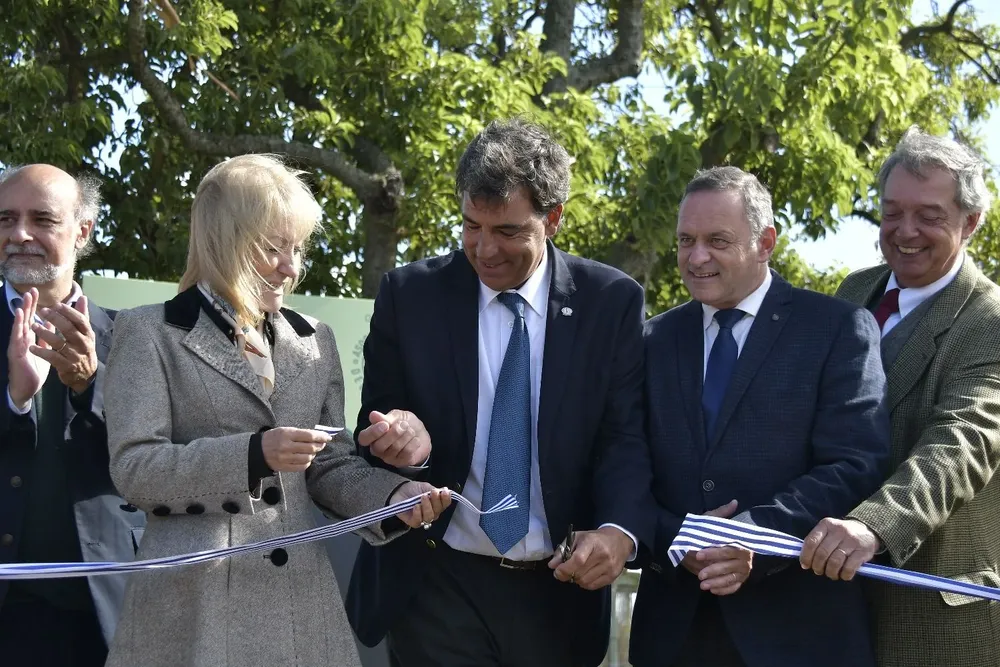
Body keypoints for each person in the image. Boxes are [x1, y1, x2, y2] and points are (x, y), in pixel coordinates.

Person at [101, 154, 451, 667]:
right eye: (272, 248)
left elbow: (330, 466)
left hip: (301, 615)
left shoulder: (316, 341)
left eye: (297, 248)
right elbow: (135, 469)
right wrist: (251, 455)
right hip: (192, 616)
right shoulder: (147, 332)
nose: (290, 267)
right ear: (222, 241)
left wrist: (392, 497)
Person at [346, 118, 655, 667]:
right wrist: (405, 445)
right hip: (437, 583)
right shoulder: (410, 297)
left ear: (553, 219)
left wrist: (617, 532)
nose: (484, 249)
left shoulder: (611, 303)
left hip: (560, 596)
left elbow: (624, 439)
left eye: (508, 231)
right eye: (471, 225)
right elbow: (375, 437)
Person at [629, 166, 890, 667]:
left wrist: (750, 535)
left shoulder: (837, 328)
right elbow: (625, 463)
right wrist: (677, 538)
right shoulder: (650, 341)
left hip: (800, 630)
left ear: (765, 242)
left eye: (717, 241)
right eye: (686, 240)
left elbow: (855, 463)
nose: (696, 257)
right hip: (675, 631)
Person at [801, 127, 1000, 667]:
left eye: (929, 216)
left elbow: (962, 444)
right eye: (891, 213)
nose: (905, 231)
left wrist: (873, 525)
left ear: (970, 222)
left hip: (933, 617)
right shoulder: (853, 292)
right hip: (827, 607)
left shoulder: (990, 320)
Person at [0, 164, 145, 667]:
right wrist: (15, 400)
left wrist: (89, 384)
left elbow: (155, 457)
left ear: (83, 231)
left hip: (103, 615)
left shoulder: (133, 339)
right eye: (6, 219)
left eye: (41, 219)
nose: (20, 234)